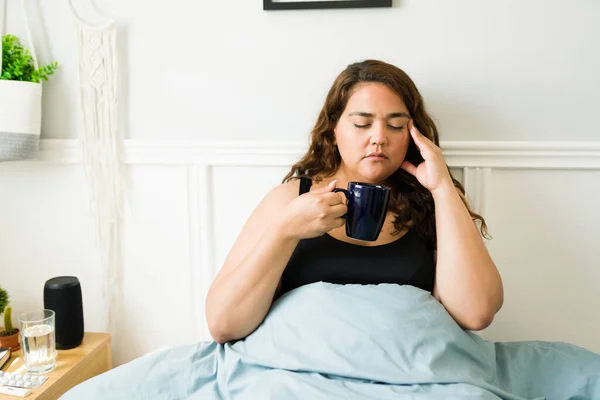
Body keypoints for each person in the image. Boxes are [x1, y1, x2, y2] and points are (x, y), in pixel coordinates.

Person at [205, 59, 504, 344]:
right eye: (362, 123)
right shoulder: (290, 200)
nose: (379, 138)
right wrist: (284, 231)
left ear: (413, 136)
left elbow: (477, 313)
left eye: (396, 126)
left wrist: (442, 190)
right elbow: (223, 325)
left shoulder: (436, 203)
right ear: (333, 131)